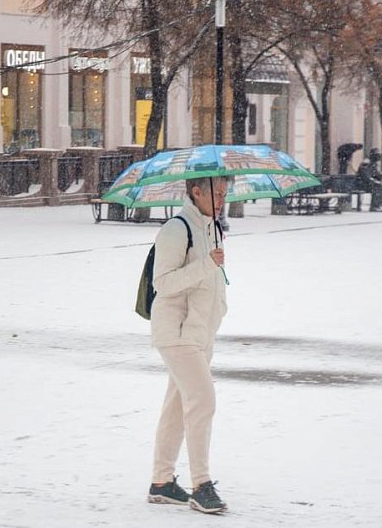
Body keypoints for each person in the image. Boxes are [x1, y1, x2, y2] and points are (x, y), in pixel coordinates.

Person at [147, 176, 229, 514]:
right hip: (176, 332)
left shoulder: (211, 227)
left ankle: (162, 482)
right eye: (217, 192)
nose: (222, 199)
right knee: (202, 401)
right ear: (197, 191)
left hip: (199, 334)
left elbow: (208, 286)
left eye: (226, 193)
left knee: (177, 407)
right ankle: (201, 485)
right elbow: (163, 283)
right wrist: (207, 263)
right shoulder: (176, 229)